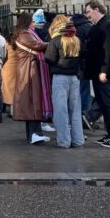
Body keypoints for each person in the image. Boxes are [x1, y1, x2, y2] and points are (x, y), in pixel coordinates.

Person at [84, 0, 110, 148]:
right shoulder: (98, 26)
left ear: (96, 9)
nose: (87, 16)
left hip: (106, 73)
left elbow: (108, 50)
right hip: (97, 72)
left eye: (89, 12)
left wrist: (104, 71)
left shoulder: (108, 25)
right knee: (103, 104)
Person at [44, 15, 84, 149]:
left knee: (61, 110)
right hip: (74, 78)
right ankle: (78, 140)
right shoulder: (77, 40)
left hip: (60, 77)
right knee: (75, 110)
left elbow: (49, 58)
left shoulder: (55, 41)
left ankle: (64, 141)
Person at [11, 12, 50, 144]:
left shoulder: (22, 33)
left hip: (28, 67)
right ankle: (35, 133)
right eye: (32, 21)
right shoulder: (24, 34)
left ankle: (33, 133)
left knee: (31, 101)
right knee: (33, 100)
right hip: (29, 69)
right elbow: (37, 46)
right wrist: (53, 43)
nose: (34, 23)